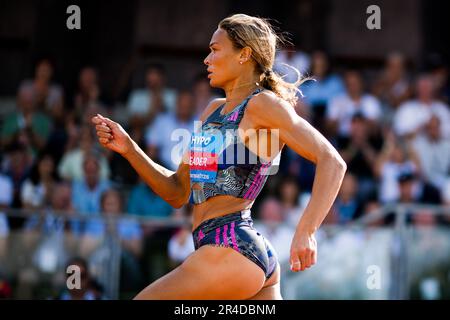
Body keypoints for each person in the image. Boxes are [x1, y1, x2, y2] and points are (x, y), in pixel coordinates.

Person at [92, 14, 346, 300]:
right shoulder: (212, 110)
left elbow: (332, 161)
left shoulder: (262, 104)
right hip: (237, 254)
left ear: (244, 55)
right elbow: (178, 191)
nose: (206, 59)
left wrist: (307, 230)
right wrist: (130, 149)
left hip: (230, 249)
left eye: (215, 49)